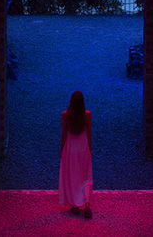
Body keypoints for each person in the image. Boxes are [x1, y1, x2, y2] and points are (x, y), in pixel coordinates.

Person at [59, 90, 93, 219]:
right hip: (83, 147)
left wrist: (61, 150)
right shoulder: (87, 115)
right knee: (85, 175)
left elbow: (63, 135)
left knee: (73, 175)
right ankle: (87, 202)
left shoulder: (65, 115)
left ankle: (75, 205)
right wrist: (90, 150)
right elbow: (89, 134)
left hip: (70, 148)